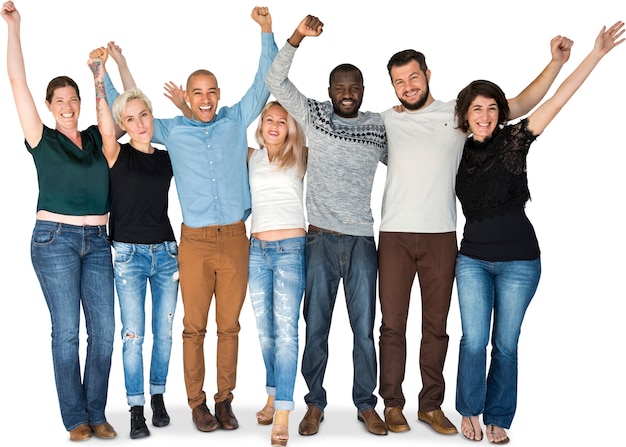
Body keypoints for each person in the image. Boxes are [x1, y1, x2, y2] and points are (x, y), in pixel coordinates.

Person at [378, 35, 577, 435]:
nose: (408, 86)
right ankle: (393, 404)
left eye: (414, 77)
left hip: (442, 235)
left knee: (437, 327)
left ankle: (431, 406)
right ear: (394, 87)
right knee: (392, 325)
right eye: (400, 82)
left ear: (427, 75)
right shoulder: (386, 118)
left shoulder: (458, 114)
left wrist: (555, 63)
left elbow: (519, 104)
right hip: (395, 233)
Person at [103, 6, 278, 433]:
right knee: (193, 327)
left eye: (211, 91)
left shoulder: (236, 120)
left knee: (230, 327)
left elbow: (265, 82)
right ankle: (197, 404)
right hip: (194, 241)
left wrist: (267, 33)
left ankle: (224, 401)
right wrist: (101, 71)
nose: (204, 99)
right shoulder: (171, 131)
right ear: (189, 95)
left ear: (219, 94)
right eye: (196, 92)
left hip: (237, 237)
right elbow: (128, 108)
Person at [453, 22, 623, 444]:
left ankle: (498, 417)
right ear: (465, 115)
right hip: (471, 259)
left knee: (505, 345)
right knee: (474, 341)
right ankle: (468, 411)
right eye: (477, 109)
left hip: (520, 263)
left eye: (492, 108)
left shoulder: (516, 139)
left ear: (500, 113)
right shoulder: (451, 149)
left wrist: (595, 54)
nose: (485, 116)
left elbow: (560, 99)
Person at [265, 15, 389, 437]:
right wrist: (298, 37)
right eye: (340, 87)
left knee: (364, 330)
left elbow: (413, 157)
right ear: (330, 91)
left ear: (364, 92)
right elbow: (275, 80)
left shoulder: (377, 126)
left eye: (354, 88)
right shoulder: (314, 116)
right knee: (315, 326)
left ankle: (365, 404)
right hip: (317, 237)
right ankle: (314, 403)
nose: (348, 94)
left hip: (361, 240)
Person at [2, 1, 116, 442]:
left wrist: (98, 77)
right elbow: (16, 82)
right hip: (55, 241)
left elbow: (114, 126)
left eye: (74, 100)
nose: (68, 106)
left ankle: (97, 410)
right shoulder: (41, 139)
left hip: (99, 240)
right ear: (50, 106)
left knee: (103, 332)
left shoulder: (94, 138)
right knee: (67, 333)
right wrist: (14, 28)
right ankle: (76, 419)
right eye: (59, 101)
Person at [88, 46, 179, 440]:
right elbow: (112, 116)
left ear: (151, 118)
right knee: (133, 335)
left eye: (144, 116)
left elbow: (133, 99)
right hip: (128, 256)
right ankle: (136, 406)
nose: (139, 123)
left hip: (167, 254)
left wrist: (124, 65)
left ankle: (158, 395)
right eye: (131, 119)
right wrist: (99, 76)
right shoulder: (115, 153)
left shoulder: (166, 157)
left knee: (164, 332)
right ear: (122, 123)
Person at [248, 101, 308, 447]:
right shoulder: (252, 156)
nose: (274, 125)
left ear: (290, 128)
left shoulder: (300, 153)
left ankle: (284, 408)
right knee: (265, 331)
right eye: (269, 119)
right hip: (256, 251)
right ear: (261, 125)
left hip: (290, 249)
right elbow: (215, 140)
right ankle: (273, 394)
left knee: (286, 331)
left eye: (281, 122)